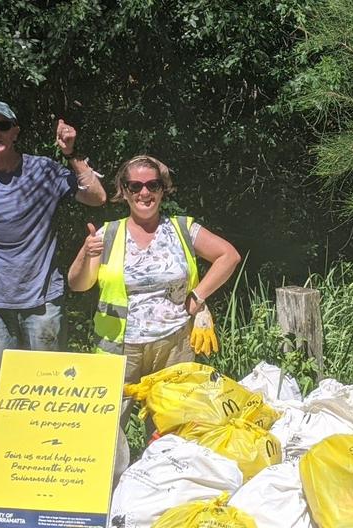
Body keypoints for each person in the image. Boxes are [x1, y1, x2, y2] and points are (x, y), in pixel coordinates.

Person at [67, 154, 241, 467]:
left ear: (163, 189)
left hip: (175, 344)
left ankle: (161, 494)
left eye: (152, 185)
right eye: (135, 185)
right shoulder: (107, 235)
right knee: (106, 428)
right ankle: (109, 497)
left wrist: (198, 295)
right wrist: (84, 254)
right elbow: (79, 285)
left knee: (173, 425)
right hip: (120, 348)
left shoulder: (182, 229)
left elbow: (228, 255)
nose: (144, 192)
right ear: (123, 190)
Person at [0, 101, 107, 387]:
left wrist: (71, 154)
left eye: (2, 126)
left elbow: (97, 198)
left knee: (50, 389)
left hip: (43, 301)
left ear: (15, 132)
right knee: (7, 392)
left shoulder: (44, 170)